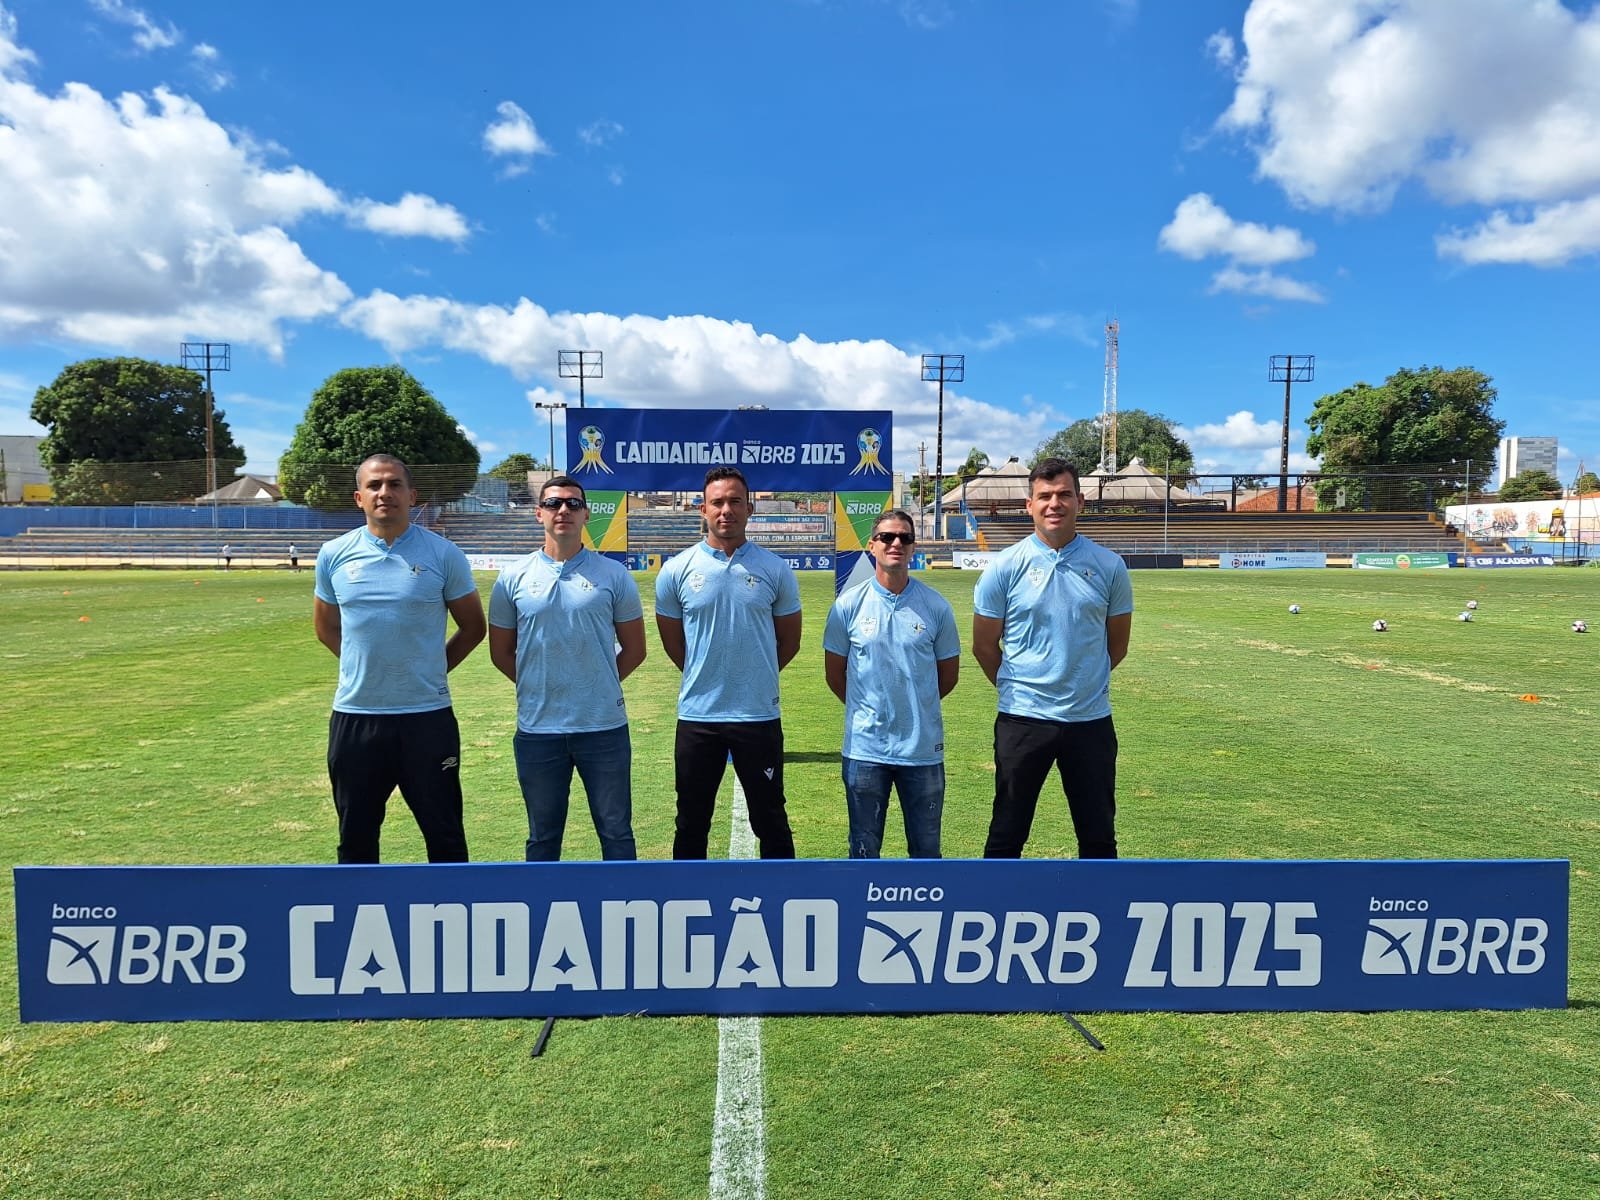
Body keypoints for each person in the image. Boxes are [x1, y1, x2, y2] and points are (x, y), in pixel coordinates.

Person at [312, 454, 486, 864]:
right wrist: (367, 667)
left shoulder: (443, 555)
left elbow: (473, 628)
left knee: (445, 838)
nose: (384, 493)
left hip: (427, 718)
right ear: (359, 497)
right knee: (355, 839)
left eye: (393, 485)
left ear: (412, 496)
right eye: (374, 486)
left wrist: (429, 668)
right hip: (356, 716)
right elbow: (325, 628)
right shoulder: (334, 554)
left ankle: (451, 922)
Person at [972, 457, 1132, 859]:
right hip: (1022, 719)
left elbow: (1117, 646)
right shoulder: (1004, 567)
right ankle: (996, 915)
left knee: (1098, 837)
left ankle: (1100, 915)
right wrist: (1021, 685)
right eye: (1044, 496)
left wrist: (1079, 681)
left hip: (1089, 721)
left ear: (1080, 500)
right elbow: (985, 646)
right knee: (1007, 834)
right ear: (1030, 505)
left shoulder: (1110, 566)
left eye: (1063, 495)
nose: (1054, 504)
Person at [488, 475, 646, 861]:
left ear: (587, 514)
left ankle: (625, 914)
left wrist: (595, 684)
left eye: (574, 504)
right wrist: (540, 684)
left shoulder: (613, 575)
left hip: (603, 728)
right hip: (539, 730)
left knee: (616, 833)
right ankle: (541, 915)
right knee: (542, 838)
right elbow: (501, 652)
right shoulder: (513, 578)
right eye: (555, 503)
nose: (564, 511)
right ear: (538, 513)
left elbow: (636, 649)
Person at [656, 466, 802, 859]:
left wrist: (756, 673)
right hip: (698, 716)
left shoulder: (774, 569)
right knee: (690, 819)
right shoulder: (676, 570)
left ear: (750, 508)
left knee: (771, 817)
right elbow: (675, 644)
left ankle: (780, 904)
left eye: (735, 501)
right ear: (702, 508)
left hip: (757, 715)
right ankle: (687, 907)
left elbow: (788, 641)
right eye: (717, 502)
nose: (726, 510)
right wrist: (704, 672)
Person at [824, 509, 959, 858]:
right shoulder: (848, 606)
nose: (896, 543)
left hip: (922, 750)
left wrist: (914, 704)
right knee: (864, 853)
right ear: (872, 546)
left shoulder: (936, 606)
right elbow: (834, 674)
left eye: (905, 537)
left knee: (927, 854)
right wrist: (868, 708)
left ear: (914, 547)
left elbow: (948, 676)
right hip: (865, 750)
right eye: (887, 537)